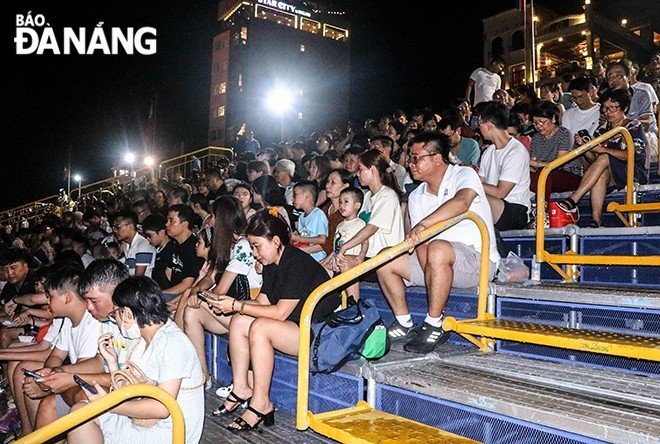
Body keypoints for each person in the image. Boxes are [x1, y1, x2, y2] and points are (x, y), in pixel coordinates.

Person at [205, 210, 340, 431]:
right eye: (252, 247)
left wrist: (236, 305)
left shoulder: (296, 262)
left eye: (257, 246)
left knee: (259, 327)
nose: (254, 253)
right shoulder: (271, 265)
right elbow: (262, 302)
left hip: (316, 333)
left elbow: (279, 313)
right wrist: (231, 304)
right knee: (240, 321)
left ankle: (262, 402)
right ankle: (241, 388)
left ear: (276, 241)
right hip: (293, 327)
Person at [376, 133, 500, 353]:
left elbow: (462, 202)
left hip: (477, 261)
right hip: (434, 260)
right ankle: (404, 321)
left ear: (437, 158)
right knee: (385, 257)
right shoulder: (416, 197)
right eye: (409, 158)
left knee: (437, 247)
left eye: (416, 158)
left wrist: (423, 226)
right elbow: (421, 244)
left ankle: (434, 323)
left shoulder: (464, 174)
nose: (410, 163)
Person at [67, 276, 204, 444]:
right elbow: (129, 385)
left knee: (82, 416)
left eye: (114, 314)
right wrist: (112, 362)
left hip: (167, 432)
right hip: (146, 424)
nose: (115, 321)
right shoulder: (143, 338)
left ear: (127, 312)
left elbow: (161, 408)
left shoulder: (172, 342)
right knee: (80, 411)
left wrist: (107, 404)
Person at [181, 196, 262, 386]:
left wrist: (197, 295)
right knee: (191, 310)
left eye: (213, 216)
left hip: (249, 310)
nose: (210, 220)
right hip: (230, 308)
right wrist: (196, 290)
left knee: (192, 302)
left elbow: (220, 290)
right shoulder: (226, 245)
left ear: (222, 218)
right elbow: (210, 277)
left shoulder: (243, 246)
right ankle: (202, 375)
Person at [556, 89, 648, 228]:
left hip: (632, 172)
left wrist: (603, 150)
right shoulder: (602, 130)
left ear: (625, 108)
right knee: (601, 173)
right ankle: (596, 219)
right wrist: (586, 147)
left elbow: (633, 155)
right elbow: (595, 161)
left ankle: (574, 198)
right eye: (605, 108)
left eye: (613, 108)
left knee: (605, 156)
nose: (608, 112)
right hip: (611, 173)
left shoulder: (633, 126)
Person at [335, 149, 404, 270]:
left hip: (382, 257)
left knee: (345, 263)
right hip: (366, 254)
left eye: (361, 169)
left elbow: (371, 228)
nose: (357, 174)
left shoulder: (387, 196)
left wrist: (345, 247)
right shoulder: (367, 196)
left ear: (372, 170)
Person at [477, 101, 531, 231]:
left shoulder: (516, 151)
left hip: (515, 209)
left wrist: (470, 181)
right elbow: (481, 182)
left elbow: (501, 192)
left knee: (473, 199)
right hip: (496, 205)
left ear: (489, 126)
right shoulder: (489, 151)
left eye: (480, 124)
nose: (478, 128)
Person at [529, 101, 583, 201]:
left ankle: (541, 208)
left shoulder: (564, 134)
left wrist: (536, 164)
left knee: (545, 174)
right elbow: (533, 165)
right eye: (535, 123)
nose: (538, 126)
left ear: (553, 118)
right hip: (543, 173)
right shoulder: (536, 138)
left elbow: (559, 164)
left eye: (541, 121)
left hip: (568, 174)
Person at [322, 187, 367, 300]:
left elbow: (365, 242)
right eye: (340, 202)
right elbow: (337, 246)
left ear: (357, 205)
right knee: (322, 268)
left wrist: (361, 256)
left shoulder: (359, 223)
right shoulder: (340, 225)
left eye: (346, 202)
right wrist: (329, 258)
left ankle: (355, 301)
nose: (342, 205)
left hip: (351, 259)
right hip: (338, 257)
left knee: (344, 263)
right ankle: (332, 302)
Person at [162, 205, 205, 299]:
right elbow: (168, 272)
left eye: (171, 221)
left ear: (184, 224)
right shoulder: (174, 244)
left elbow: (187, 284)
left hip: (183, 296)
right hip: (171, 291)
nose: (166, 224)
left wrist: (161, 294)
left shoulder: (195, 248)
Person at [291, 181, 329, 262]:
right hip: (307, 256)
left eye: (295, 195)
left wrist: (300, 238)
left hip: (318, 257)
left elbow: (322, 239)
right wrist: (297, 236)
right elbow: (305, 236)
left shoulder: (318, 214)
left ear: (307, 195)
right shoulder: (301, 217)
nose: (292, 199)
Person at [319, 168, 352, 257]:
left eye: (333, 183)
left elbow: (328, 244)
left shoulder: (346, 214)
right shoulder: (324, 209)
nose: (327, 186)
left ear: (345, 186)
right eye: (327, 182)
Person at [112, 212, 156, 278]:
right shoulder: (127, 245)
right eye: (114, 228)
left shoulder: (142, 246)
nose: (115, 231)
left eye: (118, 227)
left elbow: (138, 277)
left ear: (130, 227)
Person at [562, 76, 601, 145]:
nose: (578, 101)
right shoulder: (568, 114)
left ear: (590, 92)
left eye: (580, 97)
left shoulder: (601, 111)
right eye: (574, 98)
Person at [141, 214, 175, 290]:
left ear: (162, 233)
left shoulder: (171, 250)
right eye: (146, 236)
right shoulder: (155, 249)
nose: (148, 239)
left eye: (149, 235)